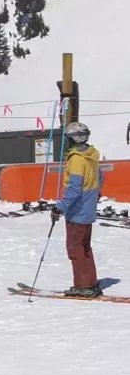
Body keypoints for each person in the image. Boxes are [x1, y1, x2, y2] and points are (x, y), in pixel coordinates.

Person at [61, 122, 105, 296]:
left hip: (77, 212)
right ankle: (90, 282)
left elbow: (74, 188)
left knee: (75, 248)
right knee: (85, 247)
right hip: (88, 210)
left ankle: (83, 285)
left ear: (74, 139)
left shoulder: (77, 159)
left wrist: (60, 207)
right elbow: (100, 177)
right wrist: (94, 197)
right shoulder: (91, 155)